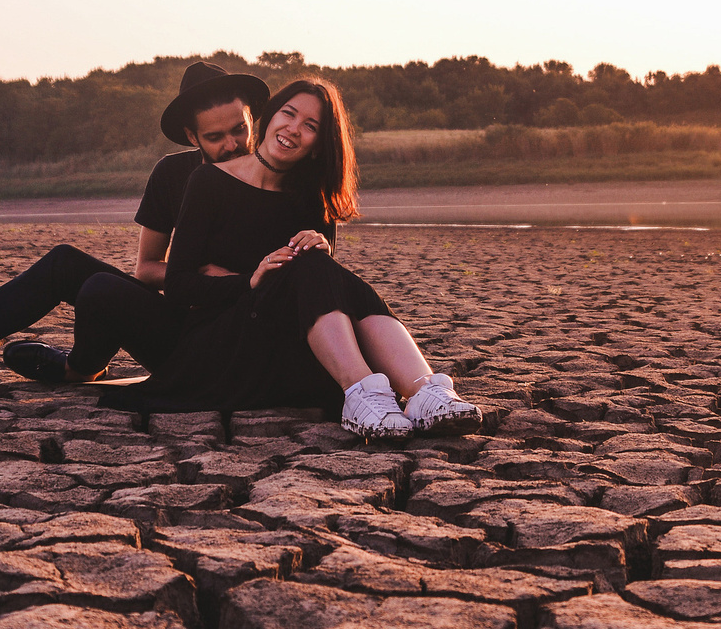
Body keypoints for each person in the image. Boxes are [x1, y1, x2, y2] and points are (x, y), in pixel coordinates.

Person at [0, 61, 269, 399]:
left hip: (232, 343)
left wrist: (236, 280)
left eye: (239, 130)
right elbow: (147, 270)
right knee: (66, 262)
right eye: (215, 137)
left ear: (253, 120)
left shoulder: (279, 176)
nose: (231, 145)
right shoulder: (172, 174)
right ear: (191, 136)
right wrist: (193, 275)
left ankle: (77, 369)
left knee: (102, 289)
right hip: (178, 329)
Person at [103, 76, 478, 438]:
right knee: (309, 263)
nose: (294, 128)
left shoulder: (311, 196)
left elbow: (325, 292)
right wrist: (250, 279)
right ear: (267, 120)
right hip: (225, 340)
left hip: (288, 340)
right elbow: (180, 287)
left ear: (317, 144)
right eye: (288, 113)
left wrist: (322, 249)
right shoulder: (208, 181)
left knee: (315, 261)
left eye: (310, 125)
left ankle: (422, 391)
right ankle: (365, 391)